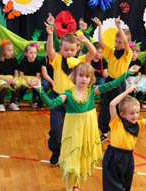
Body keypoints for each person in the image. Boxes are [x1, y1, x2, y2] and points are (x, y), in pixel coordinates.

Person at [32, 62, 139, 191]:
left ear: (91, 78)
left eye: (87, 76)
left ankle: (75, 184)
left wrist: (127, 73)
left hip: (88, 132)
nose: (84, 79)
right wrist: (39, 90)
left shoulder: (92, 91)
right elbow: (51, 103)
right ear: (74, 77)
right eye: (81, 76)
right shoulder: (67, 94)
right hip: (72, 132)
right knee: (71, 162)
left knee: (81, 158)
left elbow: (112, 84)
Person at [44, 14, 96, 166]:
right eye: (65, 49)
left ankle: (70, 155)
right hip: (58, 99)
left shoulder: (79, 61)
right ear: (61, 48)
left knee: (73, 132)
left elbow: (92, 53)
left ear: (76, 49)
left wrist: (86, 39)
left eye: (72, 50)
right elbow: (49, 51)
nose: (68, 52)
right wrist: (50, 34)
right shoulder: (57, 59)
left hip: (73, 101)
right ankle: (56, 151)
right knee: (56, 131)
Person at [103, 86, 146, 191]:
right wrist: (127, 92)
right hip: (114, 157)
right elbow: (112, 104)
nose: (135, 116)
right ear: (122, 114)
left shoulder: (138, 125)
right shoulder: (116, 122)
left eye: (137, 113)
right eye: (132, 113)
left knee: (125, 188)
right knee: (112, 190)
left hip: (128, 158)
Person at [92, 16, 133, 142]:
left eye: (120, 42)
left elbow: (126, 43)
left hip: (119, 84)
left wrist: (119, 27)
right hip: (109, 81)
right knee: (104, 106)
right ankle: (104, 132)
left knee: (119, 108)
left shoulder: (128, 53)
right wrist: (99, 27)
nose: (117, 44)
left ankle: (120, 131)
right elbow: (101, 43)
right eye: (116, 41)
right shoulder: (111, 52)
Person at [0, 39, 20, 112]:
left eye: (12, 50)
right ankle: (1, 104)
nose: (12, 52)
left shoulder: (14, 60)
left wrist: (14, 79)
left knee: (17, 87)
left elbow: (16, 73)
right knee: (5, 87)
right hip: (0, 78)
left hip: (11, 78)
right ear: (3, 51)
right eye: (9, 50)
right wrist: (6, 80)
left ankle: (12, 103)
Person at [17, 42, 42, 108]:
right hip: (24, 77)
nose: (33, 55)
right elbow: (21, 74)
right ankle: (20, 99)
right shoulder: (23, 62)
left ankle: (34, 100)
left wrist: (34, 80)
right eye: (31, 53)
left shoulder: (38, 63)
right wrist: (27, 80)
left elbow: (38, 75)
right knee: (23, 86)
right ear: (26, 54)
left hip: (34, 78)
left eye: (34, 53)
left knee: (36, 85)